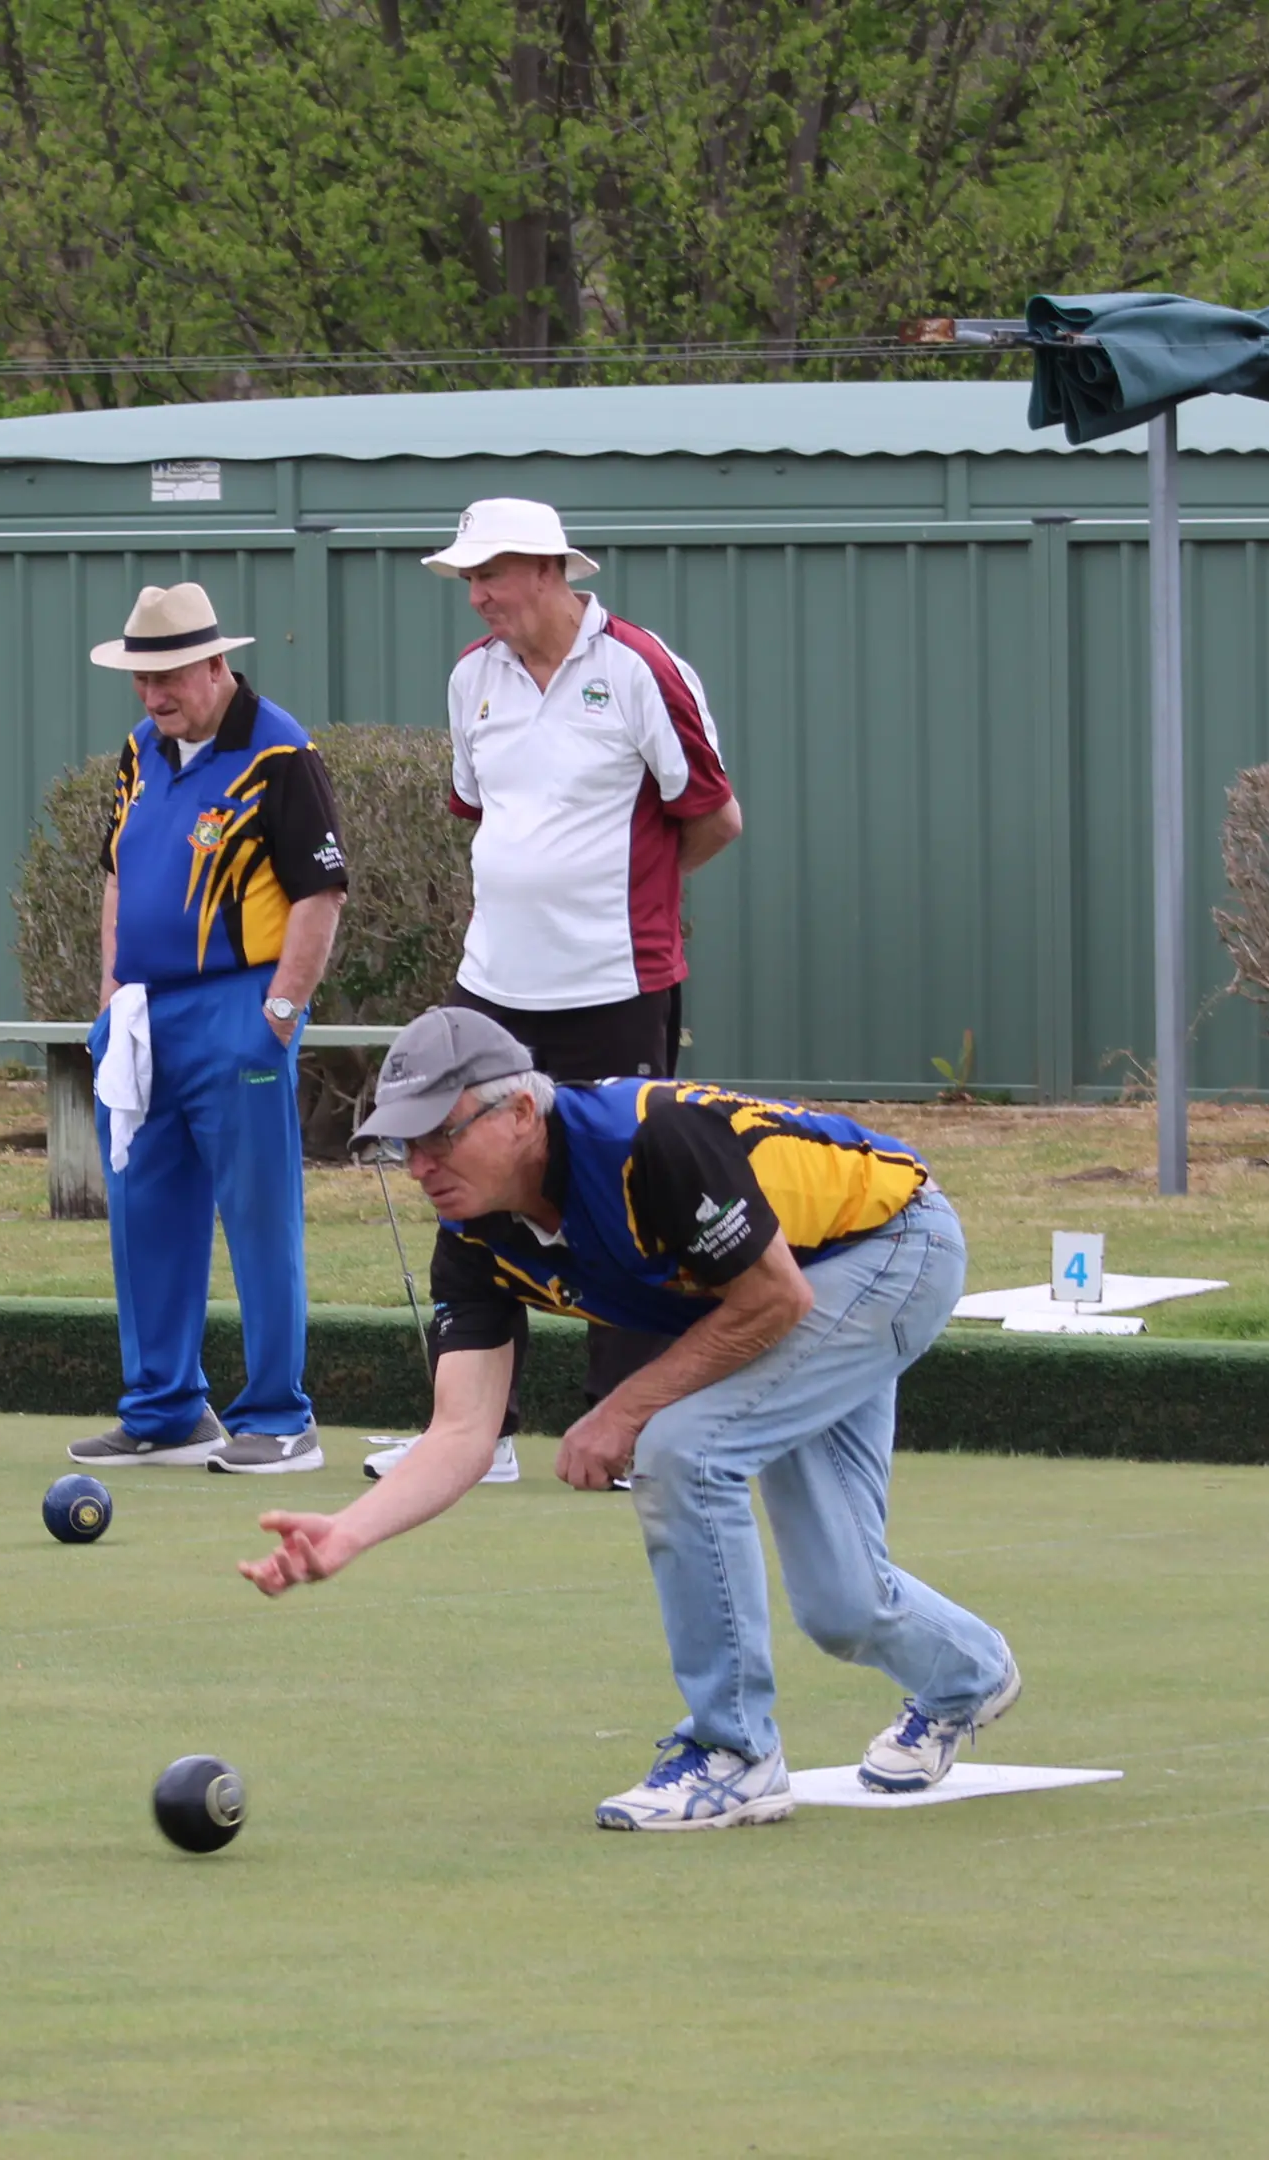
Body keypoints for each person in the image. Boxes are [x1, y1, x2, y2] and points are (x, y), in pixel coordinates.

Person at [240, 1010, 1021, 1828]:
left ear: (520, 1113)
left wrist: (623, 1411)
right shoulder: (472, 1238)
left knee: (683, 1449)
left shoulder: (649, 1141)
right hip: (796, 1283)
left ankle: (735, 1751)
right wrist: (348, 1532)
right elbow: (463, 1432)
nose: (420, 1166)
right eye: (406, 1143)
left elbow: (773, 1297)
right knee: (842, 1605)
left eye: (440, 1134)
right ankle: (966, 1674)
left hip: (890, 1245)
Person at [364, 498, 741, 1485]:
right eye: (467, 578)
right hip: (489, 987)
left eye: (489, 574)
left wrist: (630, 900)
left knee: (629, 1197)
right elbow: (485, 812)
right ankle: (473, 1436)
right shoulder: (471, 679)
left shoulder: (642, 669)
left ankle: (629, 1435)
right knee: (464, 1196)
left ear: (547, 569)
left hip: (616, 985)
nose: (476, 596)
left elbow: (714, 816)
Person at [66, 582, 349, 1477]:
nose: (154, 695)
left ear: (217, 665)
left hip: (241, 1007)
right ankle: (165, 1411)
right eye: (141, 678)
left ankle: (279, 1418)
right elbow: (117, 874)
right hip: (143, 1014)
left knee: (259, 1218)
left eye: (170, 677)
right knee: (143, 1209)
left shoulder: (281, 751)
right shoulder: (139, 750)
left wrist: (280, 1013)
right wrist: (111, 994)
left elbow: (321, 893)